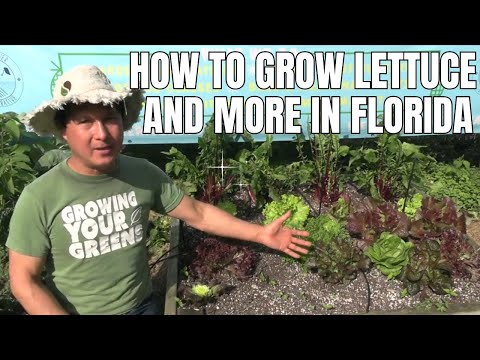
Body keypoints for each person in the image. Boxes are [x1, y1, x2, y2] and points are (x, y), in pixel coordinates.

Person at [6, 65, 311, 315]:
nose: (101, 134)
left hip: (143, 306)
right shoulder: (39, 196)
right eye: (85, 121)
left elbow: (198, 213)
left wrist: (260, 234)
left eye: (110, 119)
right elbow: (24, 281)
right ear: (64, 130)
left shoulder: (142, 173)